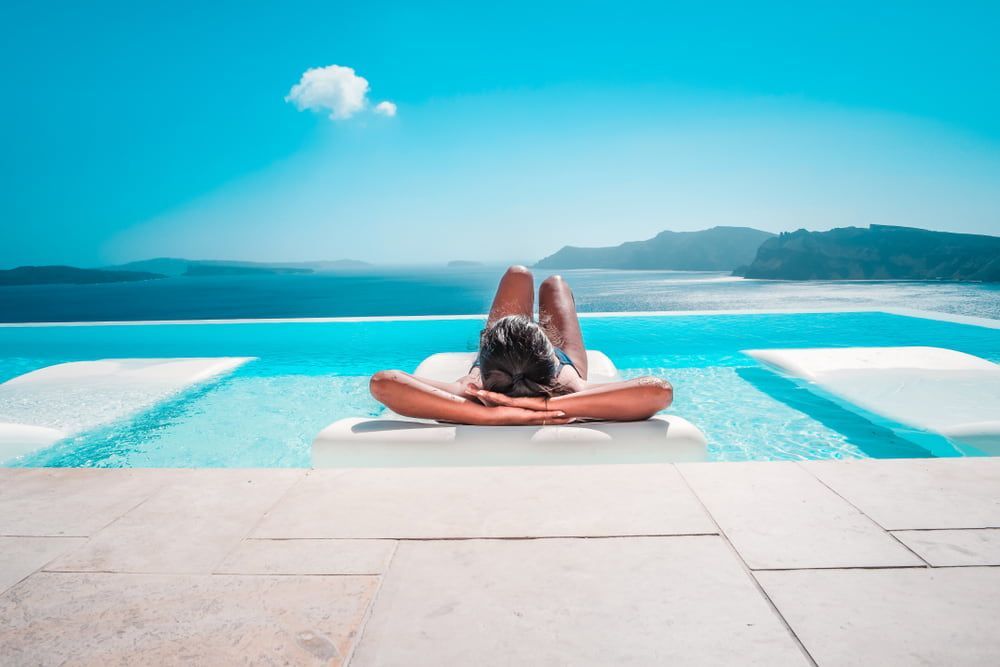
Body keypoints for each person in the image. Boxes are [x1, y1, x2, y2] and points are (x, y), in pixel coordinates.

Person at [369, 266, 673, 425]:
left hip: (506, 371)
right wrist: (547, 406)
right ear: (548, 356)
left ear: (483, 363)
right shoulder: (570, 390)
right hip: (553, 370)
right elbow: (658, 390)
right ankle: (549, 294)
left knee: (518, 274)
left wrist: (490, 415)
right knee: (554, 284)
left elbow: (384, 383)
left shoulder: (473, 394)